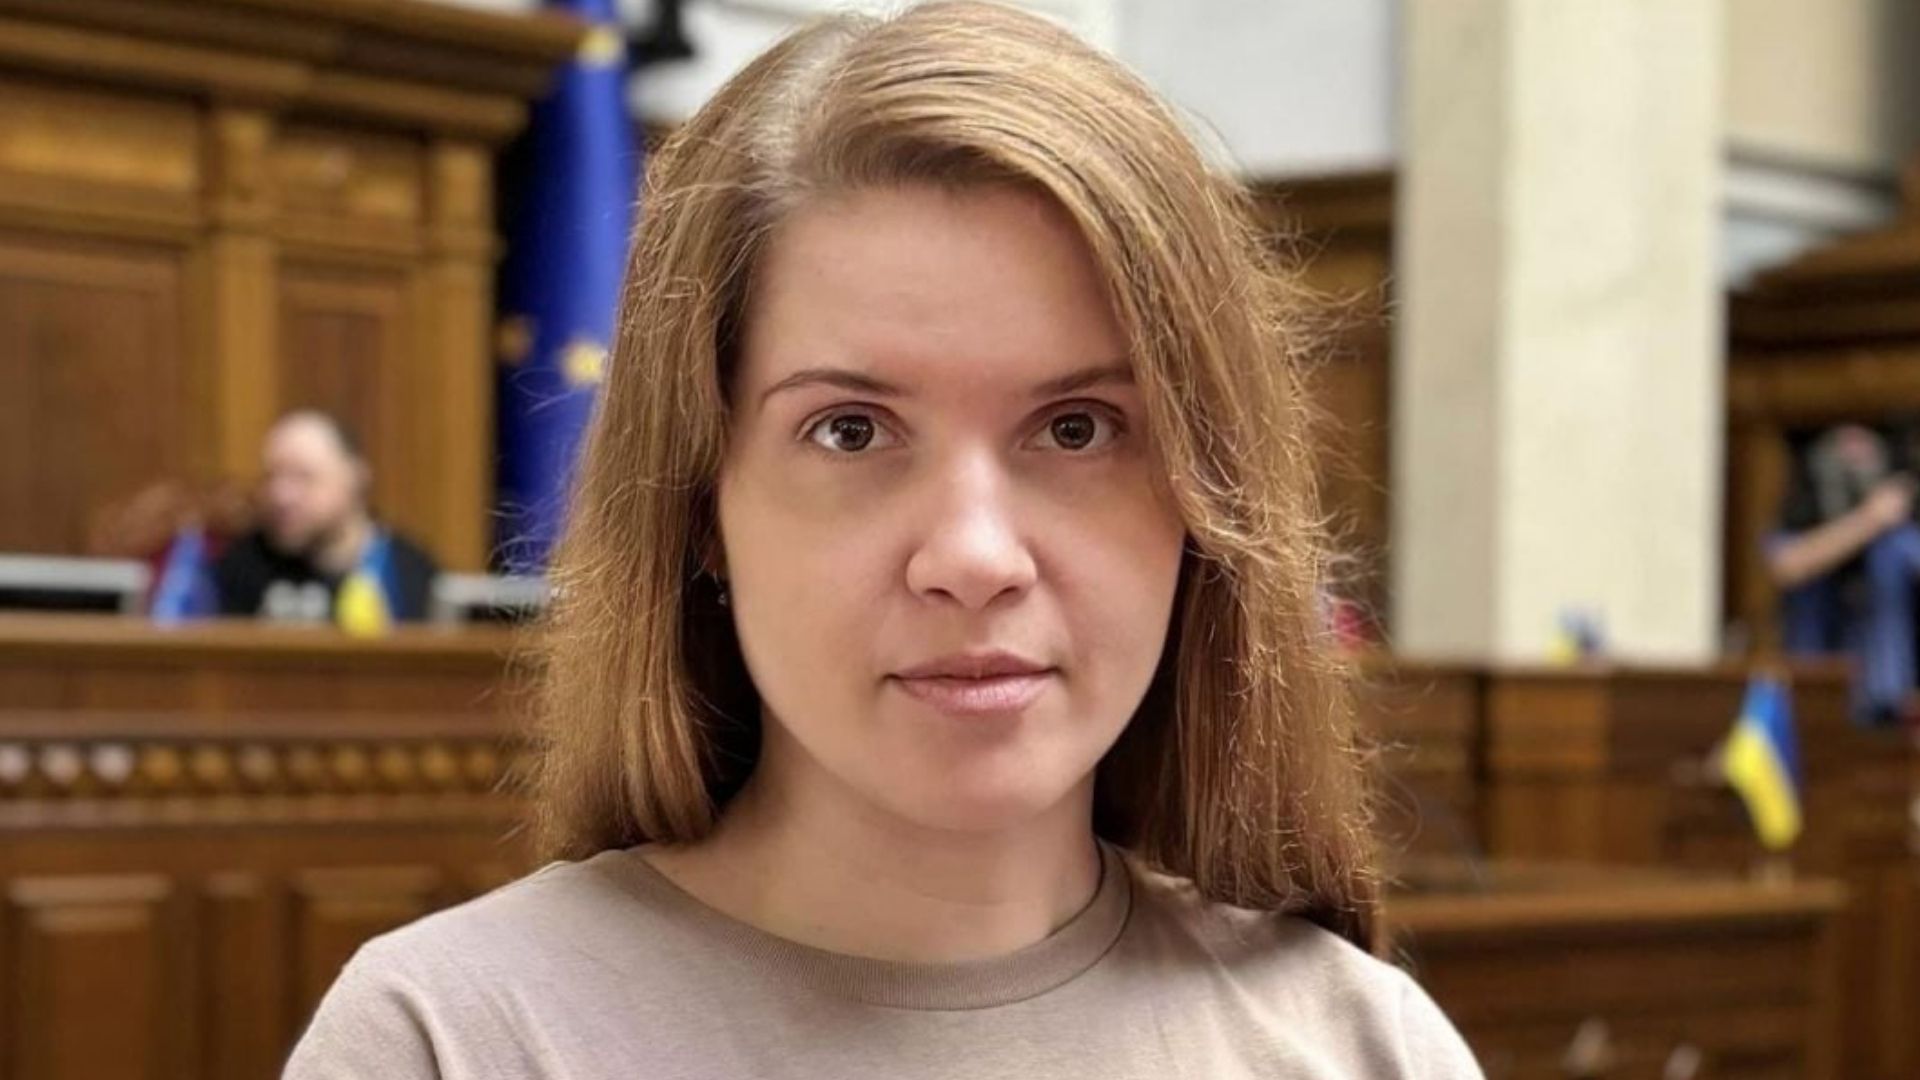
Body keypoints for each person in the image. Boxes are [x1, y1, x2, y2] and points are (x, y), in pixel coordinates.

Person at [285, 3, 1482, 1076]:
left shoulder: (1360, 1043)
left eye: (1077, 427)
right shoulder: (453, 1039)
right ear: (701, 506)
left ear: (1203, 499)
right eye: (851, 430)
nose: (974, 556)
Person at [213, 410, 438, 624]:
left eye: (303, 477)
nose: (281, 496)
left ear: (355, 477)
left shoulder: (409, 572)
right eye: (271, 477)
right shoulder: (241, 568)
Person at [1768, 423, 1920, 725]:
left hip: (1894, 696)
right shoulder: (1805, 509)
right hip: (1817, 687)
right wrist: (1870, 519)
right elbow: (1787, 566)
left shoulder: (1900, 534)